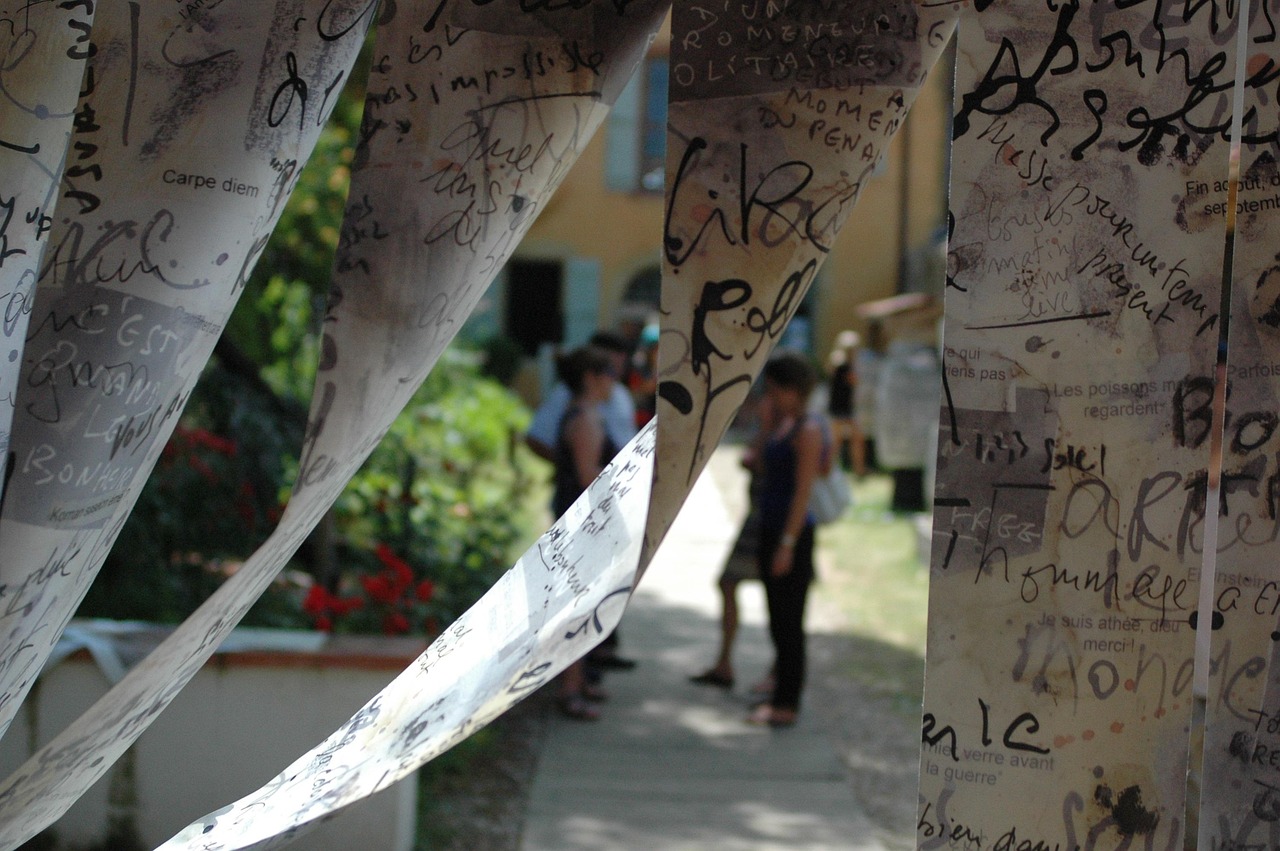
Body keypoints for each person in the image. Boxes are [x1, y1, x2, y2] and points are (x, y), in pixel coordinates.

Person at [749, 351, 824, 728]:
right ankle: (779, 689)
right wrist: (765, 426)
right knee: (777, 618)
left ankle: (787, 703)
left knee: (790, 621)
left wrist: (788, 544)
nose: (771, 396)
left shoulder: (808, 430)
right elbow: (760, 464)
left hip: (790, 533)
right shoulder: (783, 425)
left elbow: (803, 492)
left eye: (775, 390)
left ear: (793, 390)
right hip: (770, 526)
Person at [549, 345, 620, 721]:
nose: (615, 380)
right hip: (581, 527)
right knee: (576, 609)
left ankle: (576, 682)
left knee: (580, 606)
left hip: (575, 523)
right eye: (609, 372)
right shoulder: (587, 420)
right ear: (592, 377)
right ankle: (570, 688)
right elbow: (588, 476)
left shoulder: (582, 414)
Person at [689, 402, 772, 691]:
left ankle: (775, 672)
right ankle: (725, 663)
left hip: (772, 525)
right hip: (759, 521)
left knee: (779, 599)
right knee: (728, 583)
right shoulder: (774, 427)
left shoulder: (794, 428)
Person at [526, 331, 637, 462]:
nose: (620, 366)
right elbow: (537, 438)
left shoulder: (622, 393)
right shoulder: (566, 393)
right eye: (607, 367)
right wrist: (570, 464)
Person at [827, 330, 866, 476]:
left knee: (845, 441)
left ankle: (856, 471)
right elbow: (855, 380)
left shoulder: (837, 361)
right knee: (840, 442)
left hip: (843, 407)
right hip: (840, 408)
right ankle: (832, 470)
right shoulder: (842, 363)